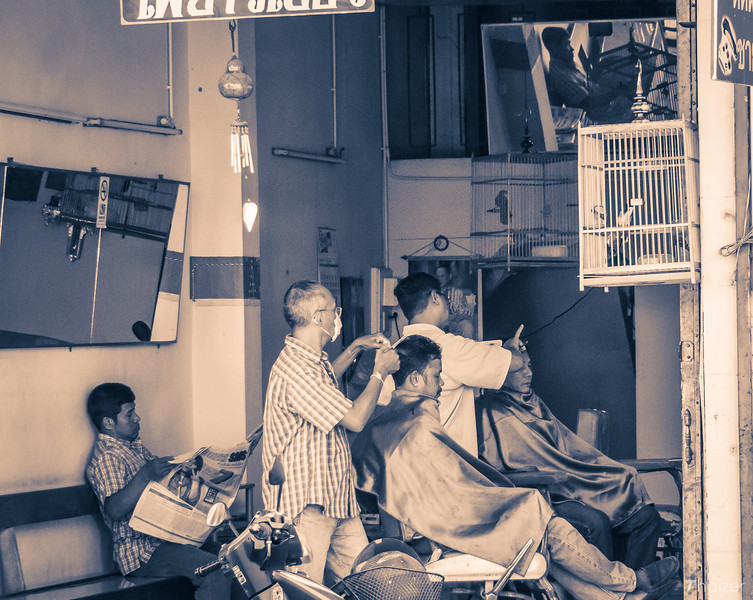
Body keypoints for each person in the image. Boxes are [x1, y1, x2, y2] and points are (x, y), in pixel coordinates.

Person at [352, 335, 679, 600]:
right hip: (442, 534)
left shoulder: (393, 418)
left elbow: (445, 489)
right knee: (546, 523)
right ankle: (628, 581)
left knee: (541, 533)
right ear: (415, 378)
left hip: (445, 524)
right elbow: (451, 495)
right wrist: (510, 500)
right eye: (437, 376)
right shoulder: (417, 425)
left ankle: (618, 598)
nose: (440, 384)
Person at [262, 280, 400, 586]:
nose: (337, 315)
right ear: (318, 318)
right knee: (304, 592)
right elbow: (355, 419)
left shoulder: (313, 359)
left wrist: (355, 348)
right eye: (334, 309)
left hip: (336, 499)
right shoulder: (296, 369)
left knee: (368, 585)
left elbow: (325, 382)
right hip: (305, 506)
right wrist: (380, 371)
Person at [476, 352, 662, 569]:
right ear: (499, 373)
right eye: (519, 368)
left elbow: (566, 451)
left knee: (646, 518)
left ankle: (636, 591)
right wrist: (555, 474)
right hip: (540, 493)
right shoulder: (489, 410)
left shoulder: (534, 402)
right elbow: (495, 470)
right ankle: (611, 589)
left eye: (529, 365)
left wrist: (602, 470)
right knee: (596, 522)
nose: (529, 373)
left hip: (571, 484)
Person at [85, 382, 234, 600]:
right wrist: (145, 475)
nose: (137, 418)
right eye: (130, 414)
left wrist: (182, 470)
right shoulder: (109, 457)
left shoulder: (133, 447)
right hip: (142, 553)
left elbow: (161, 484)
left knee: (234, 557)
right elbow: (115, 510)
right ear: (109, 423)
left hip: (168, 540)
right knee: (213, 568)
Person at [380, 271, 524, 457]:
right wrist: (512, 347)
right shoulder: (447, 346)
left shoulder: (395, 350)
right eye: (444, 296)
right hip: (445, 465)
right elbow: (515, 362)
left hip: (407, 462)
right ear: (434, 297)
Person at [434, 264, 476, 339]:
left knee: (467, 326)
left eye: (442, 276)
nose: (439, 279)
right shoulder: (432, 294)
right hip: (437, 323)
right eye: (437, 276)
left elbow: (464, 313)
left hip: (453, 323)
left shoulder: (457, 293)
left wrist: (453, 319)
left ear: (449, 276)